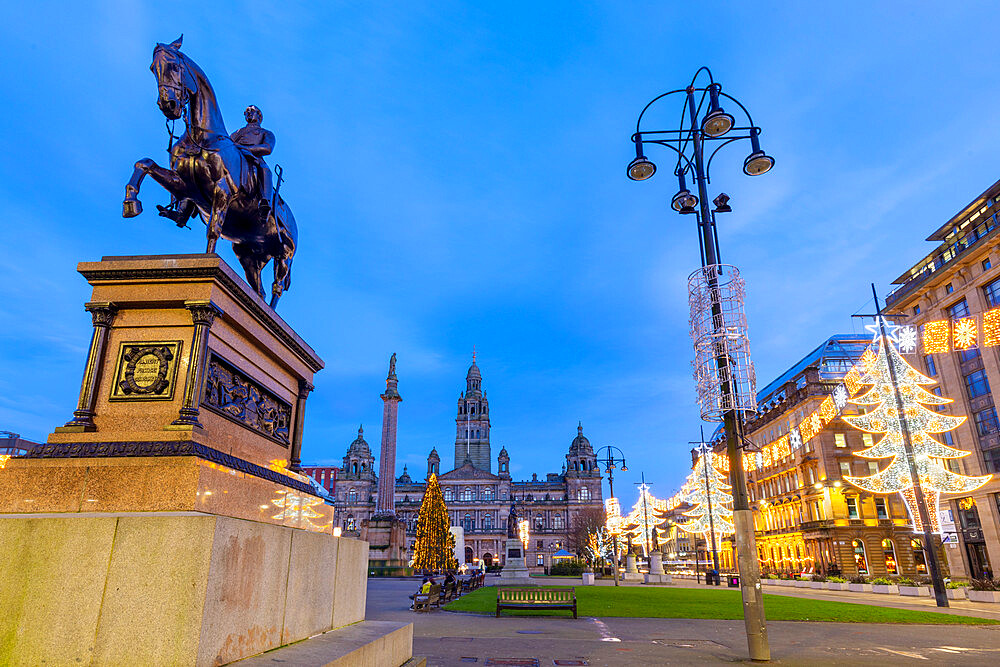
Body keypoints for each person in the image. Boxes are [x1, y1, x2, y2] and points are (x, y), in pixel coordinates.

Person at [230, 105, 276, 215]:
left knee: (266, 171)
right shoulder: (236, 133)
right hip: (235, 155)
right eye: (246, 112)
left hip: (253, 157)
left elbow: (267, 148)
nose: (249, 113)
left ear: (259, 116)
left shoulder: (265, 133)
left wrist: (245, 148)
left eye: (252, 111)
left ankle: (265, 202)